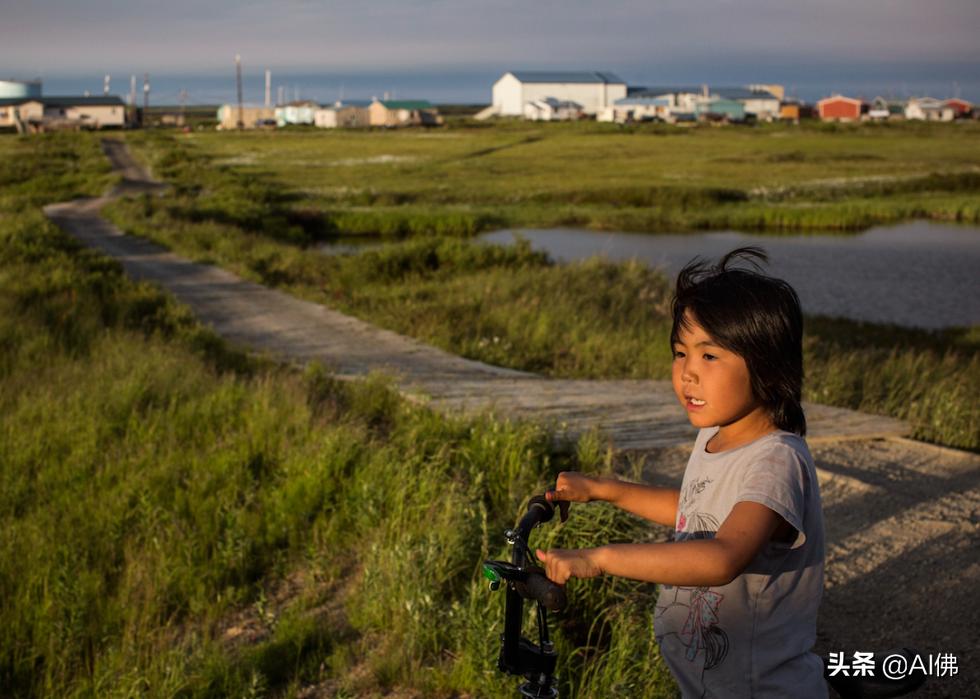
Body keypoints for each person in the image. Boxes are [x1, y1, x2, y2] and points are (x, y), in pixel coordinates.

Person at [536, 247, 826, 698]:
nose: (687, 373)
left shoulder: (776, 459)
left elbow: (723, 554)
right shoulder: (714, 435)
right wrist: (605, 489)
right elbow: (697, 510)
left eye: (709, 357)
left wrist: (600, 557)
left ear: (767, 365)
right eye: (679, 352)